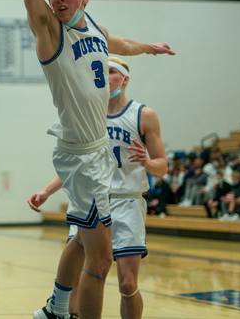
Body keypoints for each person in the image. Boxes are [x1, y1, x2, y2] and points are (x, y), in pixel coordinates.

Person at [0, 0, 174, 319]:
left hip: (94, 157)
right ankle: (61, 310)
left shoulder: (92, 26)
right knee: (100, 261)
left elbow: (118, 42)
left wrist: (148, 46)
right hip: (82, 156)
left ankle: (55, 306)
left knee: (81, 240)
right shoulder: (49, 32)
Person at [28, 57, 167, 319]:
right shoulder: (88, 113)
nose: (104, 76)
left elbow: (163, 166)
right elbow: (78, 166)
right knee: (81, 274)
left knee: (127, 283)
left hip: (127, 202)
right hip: (91, 195)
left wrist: (148, 162)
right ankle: (63, 311)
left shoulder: (143, 115)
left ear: (124, 79)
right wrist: (47, 191)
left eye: (111, 72)